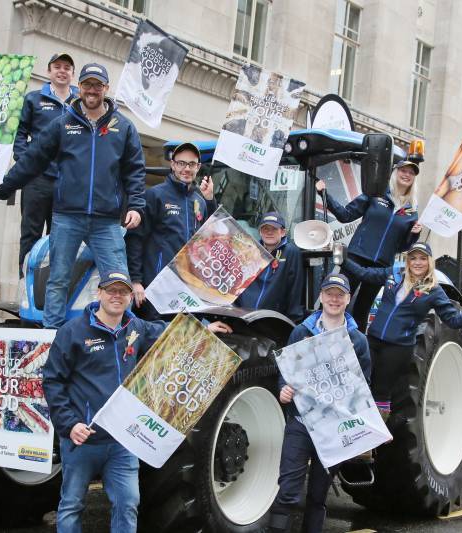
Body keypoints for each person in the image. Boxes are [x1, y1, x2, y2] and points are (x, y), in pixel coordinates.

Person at [43, 271, 232, 533]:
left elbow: (170, 332)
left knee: (128, 502)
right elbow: (53, 381)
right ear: (99, 293)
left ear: (130, 297)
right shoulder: (72, 332)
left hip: (123, 440)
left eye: (122, 292)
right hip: (83, 439)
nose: (116, 296)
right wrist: (69, 424)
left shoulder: (135, 328)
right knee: (72, 504)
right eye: (111, 290)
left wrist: (204, 326)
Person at [0, 63, 146, 329]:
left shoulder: (123, 128)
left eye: (97, 85)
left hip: (106, 222)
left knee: (118, 281)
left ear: (105, 89)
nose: (92, 90)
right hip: (67, 216)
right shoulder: (63, 124)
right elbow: (31, 161)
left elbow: (134, 171)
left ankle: (118, 340)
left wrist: (135, 205)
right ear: (81, 86)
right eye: (87, 84)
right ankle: (51, 340)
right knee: (58, 280)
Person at [341, 242, 462, 421]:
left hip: (397, 348)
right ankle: (353, 430)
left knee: (381, 392)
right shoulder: (393, 274)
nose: (417, 262)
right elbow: (364, 274)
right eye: (413, 258)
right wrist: (343, 259)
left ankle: (376, 439)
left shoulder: (433, 290)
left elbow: (454, 320)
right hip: (373, 340)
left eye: (422, 258)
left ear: (429, 262)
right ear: (408, 261)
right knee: (360, 383)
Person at [268, 273, 371, 533]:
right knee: (289, 490)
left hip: (333, 429)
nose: (334, 299)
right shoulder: (301, 331)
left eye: (340, 295)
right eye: (329, 293)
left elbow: (363, 386)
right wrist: (283, 390)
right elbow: (286, 370)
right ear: (321, 297)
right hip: (301, 423)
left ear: (348, 299)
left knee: (317, 495)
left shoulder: (358, 341)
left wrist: (371, 428)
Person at [316, 160, 423, 332]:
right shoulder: (376, 194)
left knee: (362, 308)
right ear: (395, 172)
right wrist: (324, 193)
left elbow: (402, 246)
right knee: (336, 299)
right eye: (403, 170)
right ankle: (319, 335)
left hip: (381, 267)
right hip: (356, 258)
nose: (407, 175)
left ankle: (354, 346)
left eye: (411, 173)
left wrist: (414, 234)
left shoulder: (411, 213)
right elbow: (345, 215)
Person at [126, 142, 216, 320]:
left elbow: (212, 237)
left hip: (189, 290)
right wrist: (135, 281)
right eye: (181, 163)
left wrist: (211, 200)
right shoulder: (155, 195)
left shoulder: (200, 200)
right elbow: (135, 239)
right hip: (157, 288)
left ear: (198, 167)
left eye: (191, 164)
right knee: (156, 341)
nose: (186, 169)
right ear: (173, 165)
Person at [14, 52, 79, 277]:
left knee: (60, 236)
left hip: (68, 181)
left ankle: (53, 288)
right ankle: (25, 284)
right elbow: (20, 132)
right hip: (37, 179)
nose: (62, 71)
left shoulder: (80, 103)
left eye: (67, 68)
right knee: (30, 234)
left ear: (73, 74)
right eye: (57, 67)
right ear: (49, 71)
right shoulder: (34, 99)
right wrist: (25, 163)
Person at [234, 212, 305, 323]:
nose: (269, 232)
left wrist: (294, 320)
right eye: (265, 229)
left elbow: (295, 288)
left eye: (274, 229)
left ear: (282, 232)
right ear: (260, 232)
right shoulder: (252, 249)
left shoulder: (291, 252)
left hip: (271, 321)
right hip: (244, 316)